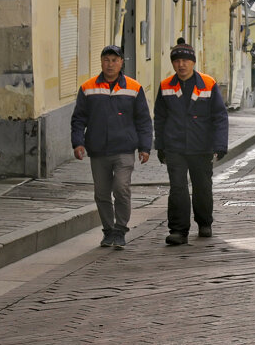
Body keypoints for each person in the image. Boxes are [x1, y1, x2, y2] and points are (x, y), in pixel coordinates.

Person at [70, 45, 152, 249]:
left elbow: (143, 120)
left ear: (121, 62)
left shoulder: (133, 88)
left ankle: (121, 229)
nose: (110, 64)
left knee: (121, 188)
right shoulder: (88, 88)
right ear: (101, 62)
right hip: (98, 150)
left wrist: (145, 147)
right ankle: (108, 231)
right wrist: (78, 142)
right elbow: (79, 119)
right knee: (101, 193)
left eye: (114, 60)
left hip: (124, 149)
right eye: (106, 60)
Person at [154, 38, 228, 245]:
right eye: (177, 61)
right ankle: (178, 230)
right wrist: (159, 145)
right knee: (177, 188)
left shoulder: (208, 83)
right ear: (173, 64)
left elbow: (220, 116)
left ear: (193, 62)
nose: (181, 64)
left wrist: (220, 144)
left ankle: (204, 223)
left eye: (186, 60)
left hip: (201, 146)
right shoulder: (166, 86)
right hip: (175, 146)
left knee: (202, 186)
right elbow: (159, 118)